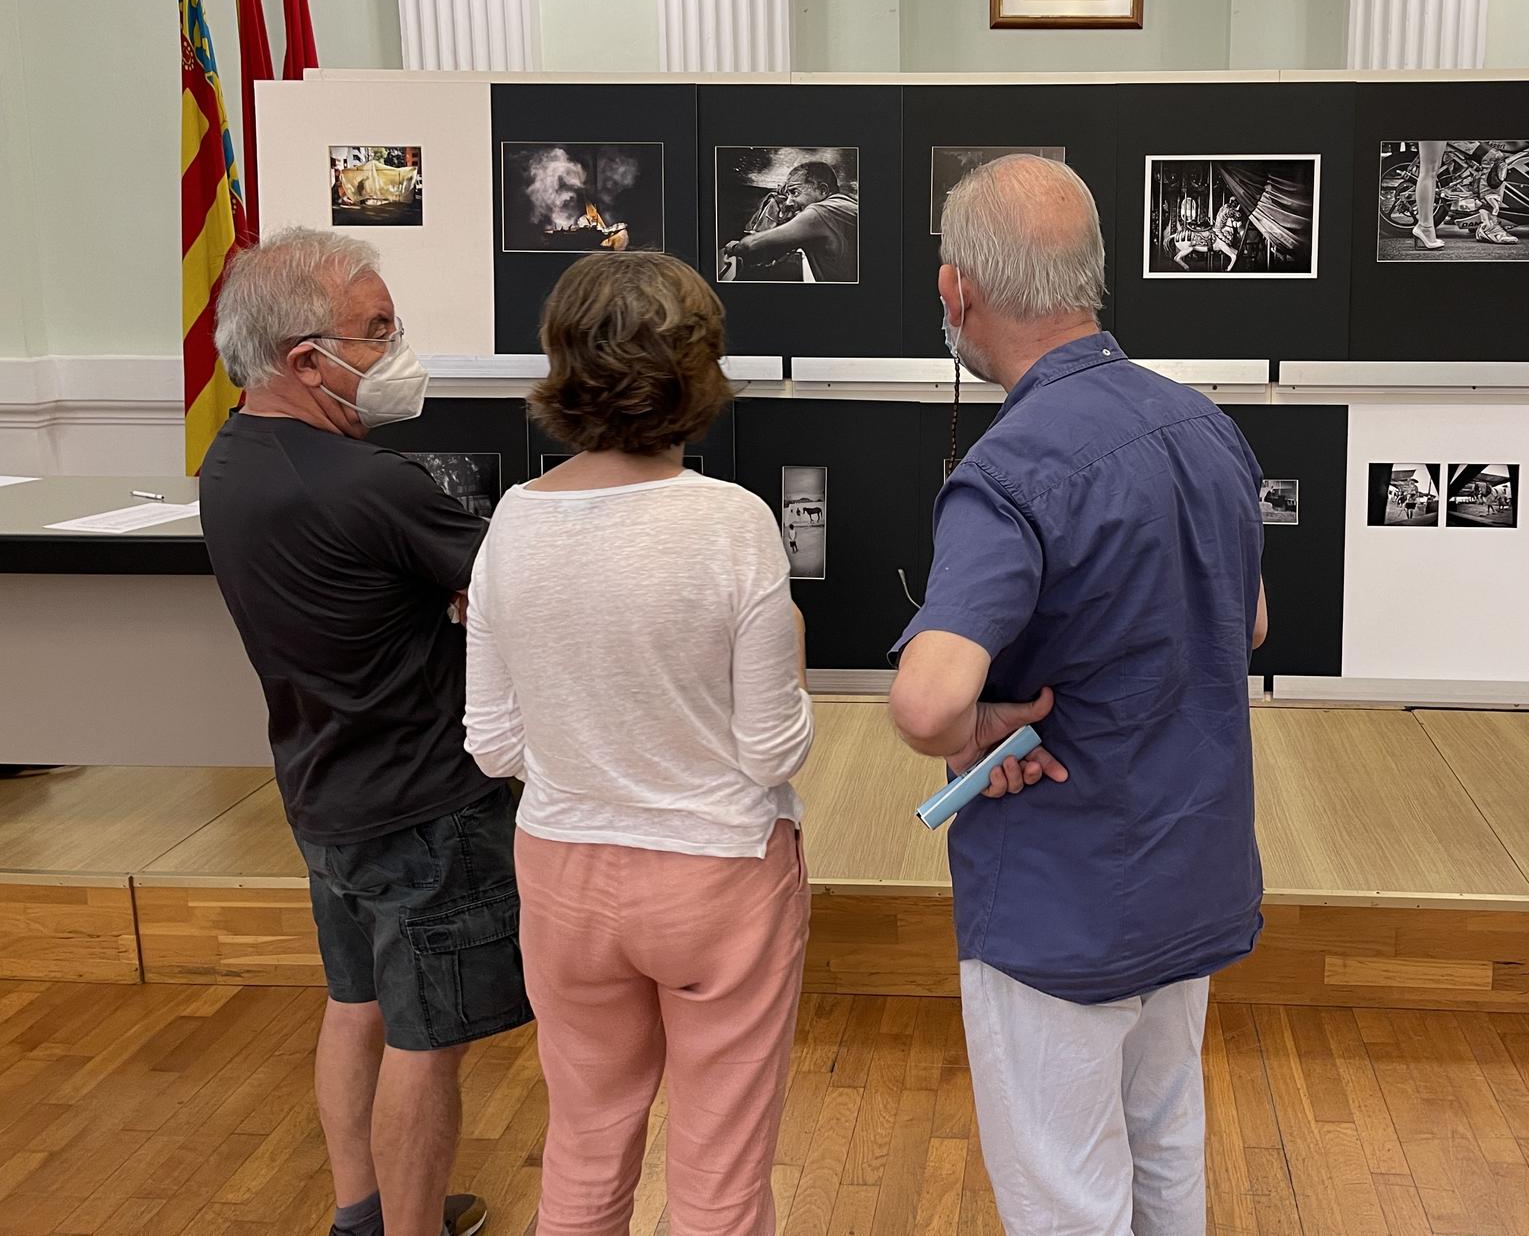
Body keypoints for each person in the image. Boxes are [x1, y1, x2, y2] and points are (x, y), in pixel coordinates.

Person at [888, 155, 1268, 1234]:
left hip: (1060, 897)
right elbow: (1249, 625)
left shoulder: (1010, 474)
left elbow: (925, 706)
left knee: (1064, 1193)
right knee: (1162, 1149)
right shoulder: (1205, 427)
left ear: (957, 292)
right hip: (1188, 871)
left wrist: (976, 728)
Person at [463, 251, 814, 1236]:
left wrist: (593, 759)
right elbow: (770, 752)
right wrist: (789, 655)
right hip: (717, 879)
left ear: (559, 361)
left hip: (563, 876)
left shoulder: (511, 526)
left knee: (582, 1143)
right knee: (719, 1173)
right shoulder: (731, 525)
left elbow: (490, 745)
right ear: (699, 371)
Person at [201, 229, 524, 1236]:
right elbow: (514, 589)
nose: (396, 351)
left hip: (322, 790)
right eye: (376, 332)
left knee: (357, 1007)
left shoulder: (229, 460)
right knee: (426, 1042)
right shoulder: (369, 488)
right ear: (305, 359)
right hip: (424, 806)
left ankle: (361, 1212)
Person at [720, 159, 858, 282]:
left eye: (795, 193)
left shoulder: (819, 212)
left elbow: (750, 245)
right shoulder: (847, 206)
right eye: (787, 195)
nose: (788, 203)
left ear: (823, 190)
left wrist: (733, 248)